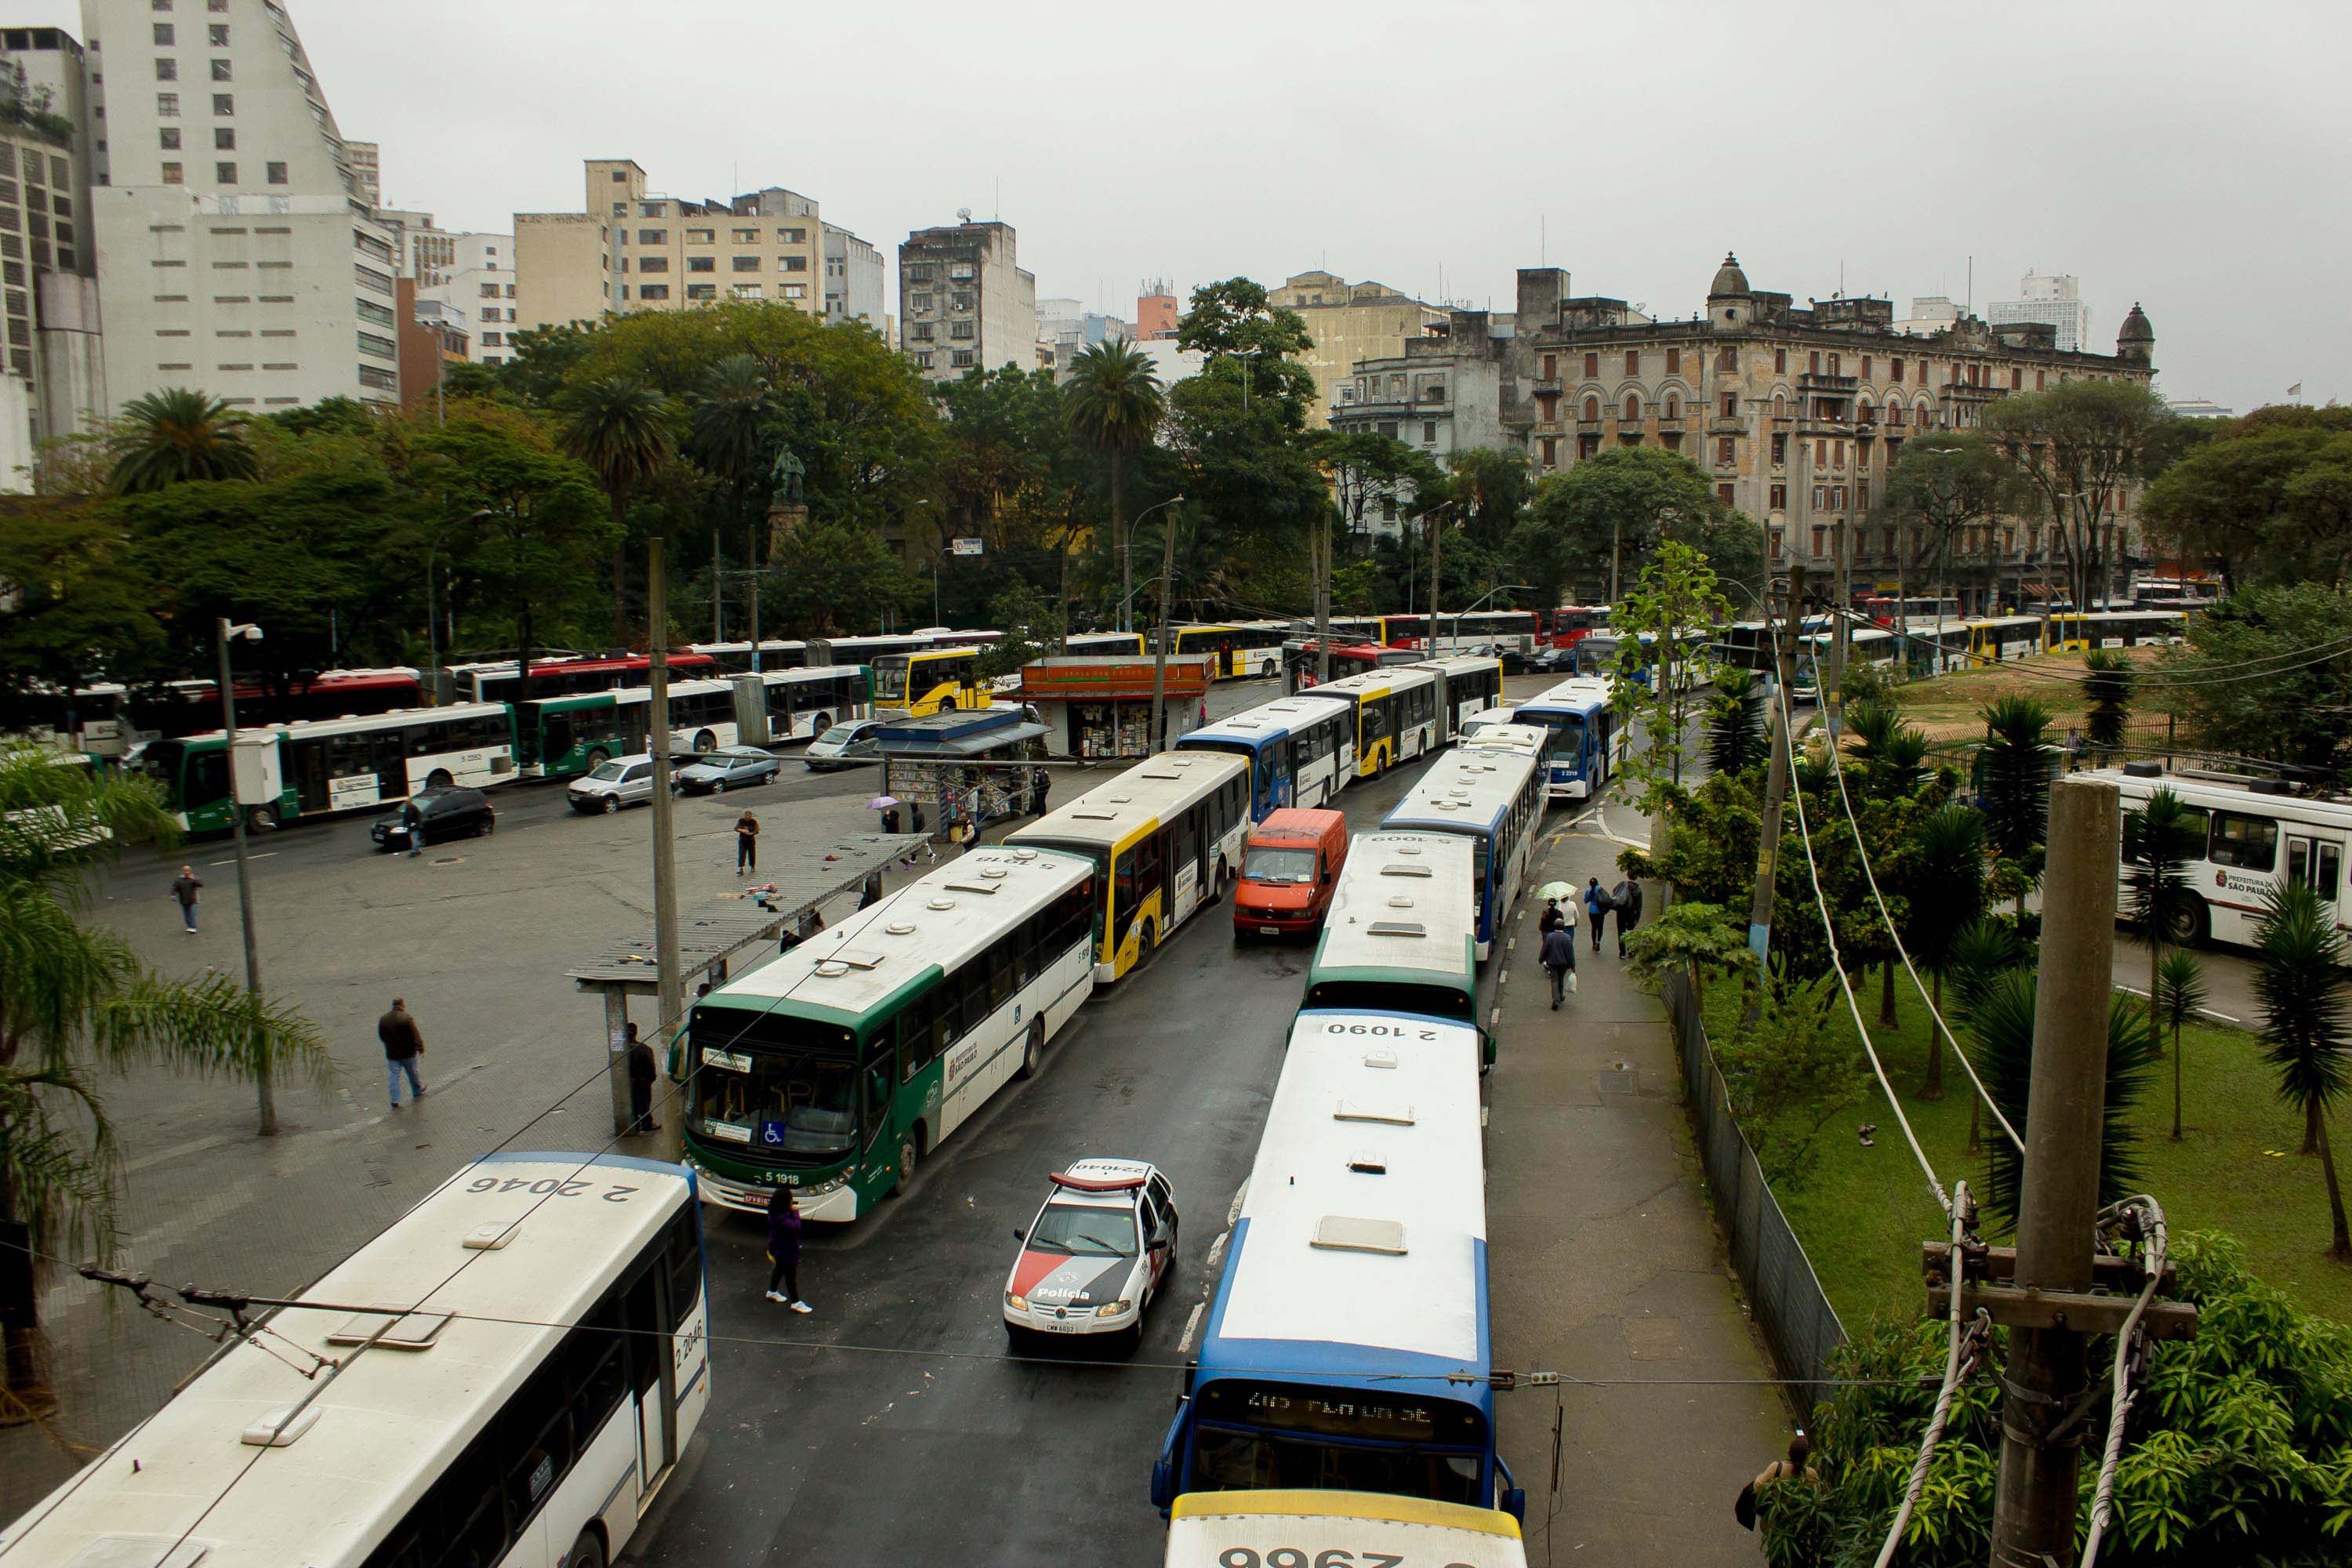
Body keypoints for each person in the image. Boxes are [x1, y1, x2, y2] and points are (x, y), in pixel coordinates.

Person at [1737, 1432, 1816, 1530]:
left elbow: (1758, 1487)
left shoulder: (1777, 1468)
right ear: (1807, 1457)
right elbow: (1815, 1495)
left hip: (1773, 1517)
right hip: (1796, 1521)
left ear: (1789, 1452)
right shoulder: (1811, 1474)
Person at [765, 1181, 812, 1313]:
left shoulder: (775, 1213)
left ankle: (772, 1291)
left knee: (779, 1270)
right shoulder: (781, 1217)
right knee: (790, 1277)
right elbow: (795, 1227)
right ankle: (796, 1302)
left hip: (779, 1249)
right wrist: (795, 1212)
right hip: (786, 1250)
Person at [378, 998, 426, 1110]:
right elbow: (415, 1034)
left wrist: (389, 1044)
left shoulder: (383, 1019)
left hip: (392, 1054)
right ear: (402, 1005)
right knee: (413, 1073)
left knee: (393, 1075)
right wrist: (420, 1048)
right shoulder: (407, 1018)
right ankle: (417, 1090)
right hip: (408, 1053)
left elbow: (382, 1036)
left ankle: (395, 1100)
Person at [624, 1022, 659, 1133]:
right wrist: (651, 1078)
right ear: (636, 1033)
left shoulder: (621, 1052)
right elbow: (651, 1067)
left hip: (629, 1082)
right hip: (643, 1082)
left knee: (633, 1103)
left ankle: (635, 1123)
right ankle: (646, 1124)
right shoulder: (645, 1049)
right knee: (644, 1103)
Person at [1541, 920, 1577, 1009]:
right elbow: (1570, 954)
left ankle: (1555, 999)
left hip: (1552, 962)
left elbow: (1545, 948)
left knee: (1554, 980)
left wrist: (1541, 959)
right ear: (1563, 927)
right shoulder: (1567, 938)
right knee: (1561, 978)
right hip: (1563, 964)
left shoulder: (1550, 937)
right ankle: (1560, 995)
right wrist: (1572, 965)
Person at [1613, 877, 1645, 959]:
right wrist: (1637, 917)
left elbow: (1615, 892)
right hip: (1631, 913)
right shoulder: (1638, 890)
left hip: (1621, 912)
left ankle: (1622, 953)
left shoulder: (1622, 885)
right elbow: (1639, 905)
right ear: (1636, 878)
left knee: (1621, 931)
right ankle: (1630, 949)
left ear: (1628, 876)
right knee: (1631, 931)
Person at [171, 865, 204, 934]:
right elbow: (175, 887)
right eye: (185, 871)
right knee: (186, 914)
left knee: (192, 914)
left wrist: (193, 879)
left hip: (193, 899)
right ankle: (189, 926)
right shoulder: (179, 880)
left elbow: (201, 885)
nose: (187, 872)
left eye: (188, 871)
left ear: (190, 871)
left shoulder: (194, 877)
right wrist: (173, 894)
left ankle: (193, 927)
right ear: (182, 871)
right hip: (183, 899)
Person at [1584, 877, 1611, 953]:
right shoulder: (1600, 889)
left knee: (1594, 927)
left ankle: (1594, 944)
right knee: (1600, 927)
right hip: (1600, 911)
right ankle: (1598, 942)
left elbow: (1586, 901)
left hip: (1592, 911)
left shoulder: (1588, 891)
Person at [735, 811, 760, 876]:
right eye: (746, 817)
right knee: (742, 854)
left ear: (751, 816)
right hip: (742, 840)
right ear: (745, 816)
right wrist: (743, 830)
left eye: (749, 817)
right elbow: (736, 828)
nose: (747, 818)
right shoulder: (741, 821)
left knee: (752, 854)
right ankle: (741, 868)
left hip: (751, 840)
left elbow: (757, 830)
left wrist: (752, 833)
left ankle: (752, 866)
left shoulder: (753, 822)